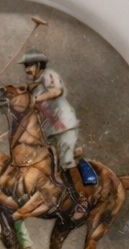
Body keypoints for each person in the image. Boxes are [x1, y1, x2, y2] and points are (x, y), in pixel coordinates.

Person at [23, 51, 97, 187]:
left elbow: (56, 91)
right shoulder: (35, 88)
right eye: (25, 66)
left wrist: (34, 100)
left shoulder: (49, 75)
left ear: (39, 65)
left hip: (65, 125)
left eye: (30, 65)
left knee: (65, 162)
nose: (27, 69)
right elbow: (38, 111)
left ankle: (82, 199)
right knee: (47, 164)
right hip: (50, 130)